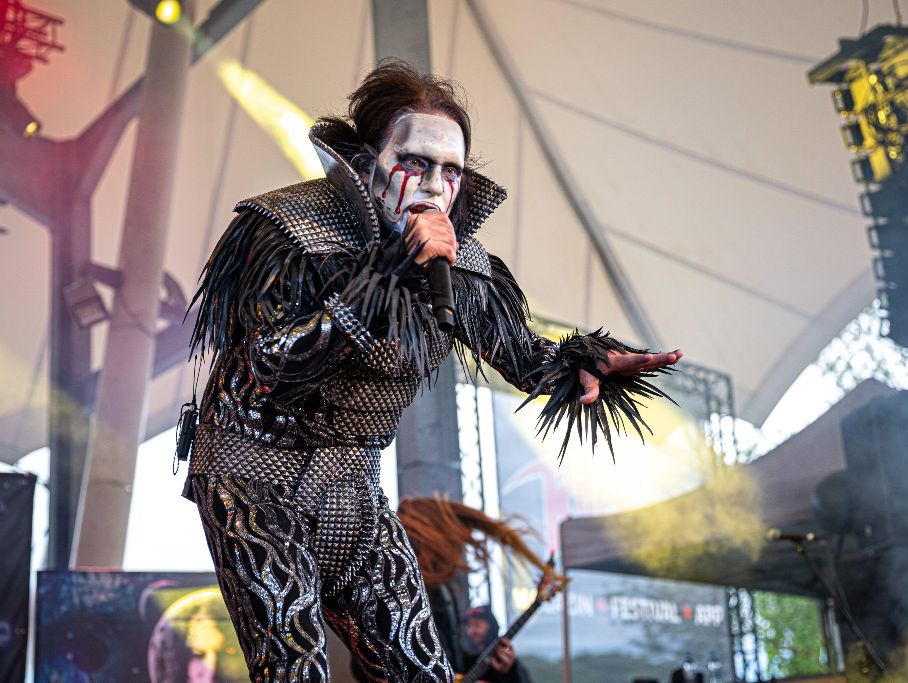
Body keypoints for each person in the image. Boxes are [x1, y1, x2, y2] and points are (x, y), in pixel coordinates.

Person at [181, 59, 681, 682]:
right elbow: (270, 368)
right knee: (294, 669)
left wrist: (592, 363)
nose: (431, 185)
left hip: (350, 485)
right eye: (413, 162)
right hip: (251, 473)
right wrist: (385, 274)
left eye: (450, 171)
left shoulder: (463, 267)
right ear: (366, 163)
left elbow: (524, 358)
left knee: (422, 671)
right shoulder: (286, 230)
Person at [395, 497, 551, 683]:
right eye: (456, 540)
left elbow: (455, 662)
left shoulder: (443, 593)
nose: (461, 550)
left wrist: (504, 670)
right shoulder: (401, 593)